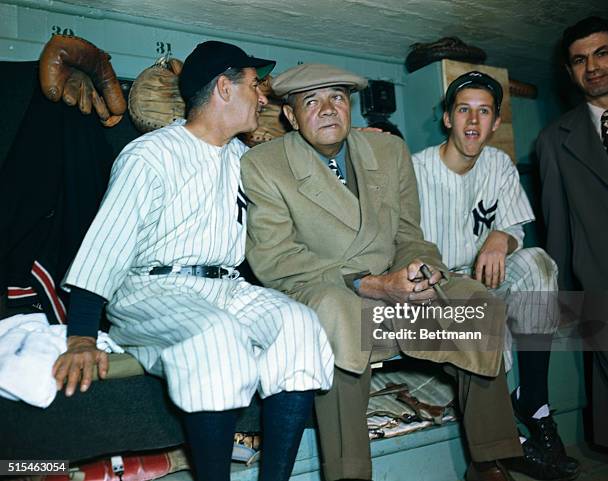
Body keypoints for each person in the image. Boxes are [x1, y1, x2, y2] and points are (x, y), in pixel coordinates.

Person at [52, 41, 334, 481]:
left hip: (225, 287)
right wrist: (82, 338)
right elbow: (104, 248)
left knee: (298, 323)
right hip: (152, 288)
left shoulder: (244, 159)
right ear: (224, 87)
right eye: (254, 84)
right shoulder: (151, 154)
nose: (263, 96)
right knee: (215, 335)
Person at [242, 63, 529, 481]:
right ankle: (350, 472)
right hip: (327, 287)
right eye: (311, 101)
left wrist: (420, 271)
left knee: (476, 305)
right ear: (290, 115)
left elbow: (411, 235)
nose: (327, 109)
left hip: (397, 290)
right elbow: (276, 260)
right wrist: (372, 284)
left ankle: (489, 459)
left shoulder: (388, 151)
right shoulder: (264, 165)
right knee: (338, 317)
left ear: (350, 107)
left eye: (337, 98)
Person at [412, 70, 579, 479]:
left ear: (495, 122)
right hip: (439, 286)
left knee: (538, 262)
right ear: (447, 118)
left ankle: (534, 403)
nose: (473, 121)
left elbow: (518, 228)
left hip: (485, 273)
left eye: (483, 112)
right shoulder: (415, 169)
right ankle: (507, 438)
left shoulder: (498, 163)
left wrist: (502, 236)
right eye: (463, 110)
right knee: (486, 319)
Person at [537, 16, 608, 450]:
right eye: (579, 60)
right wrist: (563, 298)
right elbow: (557, 225)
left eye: (602, 53)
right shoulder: (553, 141)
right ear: (570, 71)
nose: (592, 67)